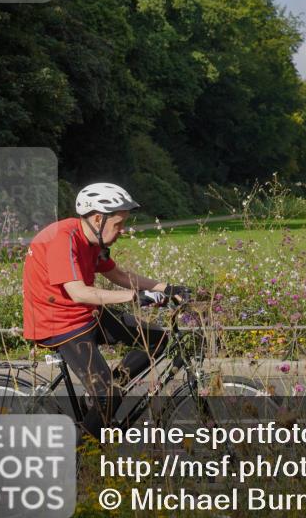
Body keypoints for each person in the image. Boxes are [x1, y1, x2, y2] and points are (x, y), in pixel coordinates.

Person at [22, 182, 191, 439]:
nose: (122, 230)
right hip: (59, 324)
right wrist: (136, 297)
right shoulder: (62, 239)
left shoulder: (93, 239)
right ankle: (83, 455)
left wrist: (167, 288)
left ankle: (100, 403)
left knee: (157, 340)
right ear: (98, 218)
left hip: (86, 314)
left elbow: (117, 275)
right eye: (118, 224)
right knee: (108, 395)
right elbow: (78, 292)